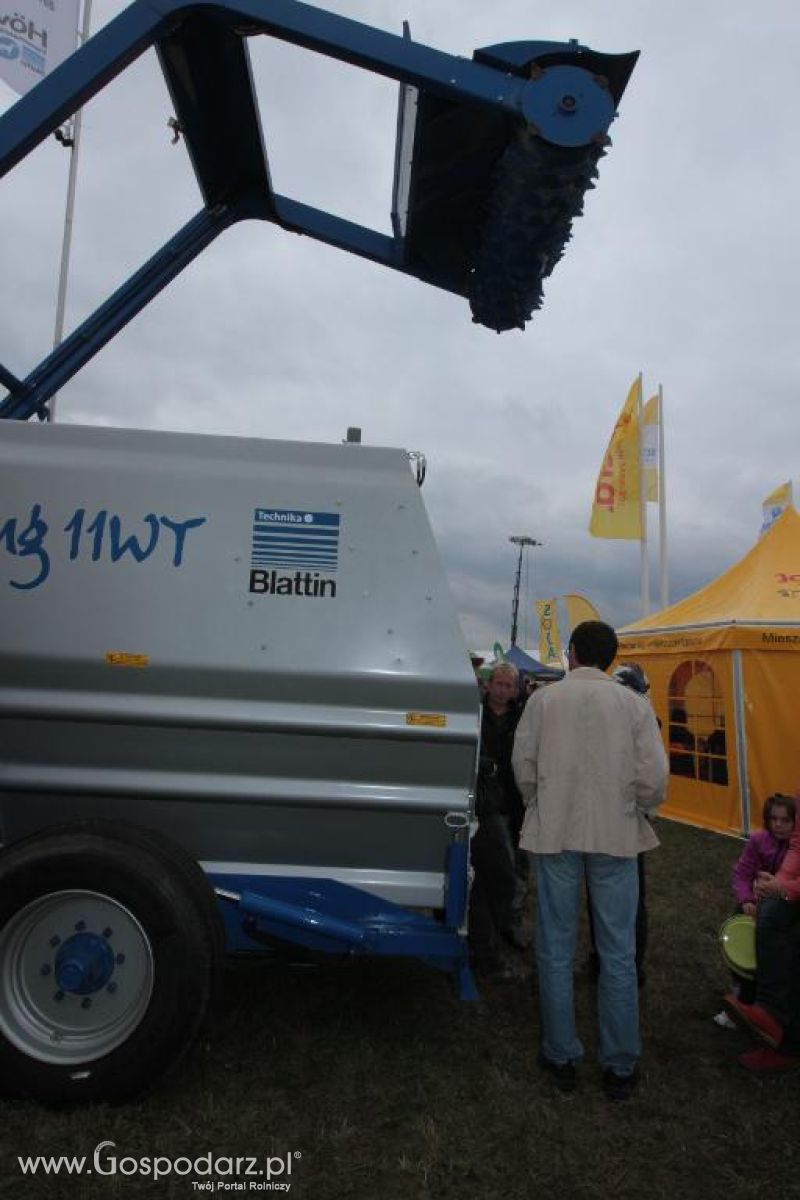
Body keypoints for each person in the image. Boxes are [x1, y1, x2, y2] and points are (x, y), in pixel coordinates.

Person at [512, 621, 667, 1099]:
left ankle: (560, 1053)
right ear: (610, 657)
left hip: (556, 833)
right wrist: (637, 808)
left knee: (555, 947)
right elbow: (654, 778)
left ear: (573, 654)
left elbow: (525, 767)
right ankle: (619, 1063)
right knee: (618, 951)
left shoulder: (543, 701)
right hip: (616, 835)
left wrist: (542, 803)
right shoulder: (634, 705)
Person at [586, 662, 655, 986]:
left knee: (630, 898)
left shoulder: (644, 722)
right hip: (599, 817)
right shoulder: (605, 721)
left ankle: (631, 965)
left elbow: (652, 779)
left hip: (626, 820)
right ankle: (601, 956)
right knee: (600, 891)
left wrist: (642, 809)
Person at [725, 793, 800, 1071]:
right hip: (779, 894)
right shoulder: (760, 840)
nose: (779, 824)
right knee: (763, 928)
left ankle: (778, 1028)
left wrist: (782, 889)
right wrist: (772, 888)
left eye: (786, 820)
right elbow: (797, 846)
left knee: (787, 950)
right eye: (774, 819)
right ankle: (765, 1014)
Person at [468, 662, 525, 979]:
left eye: (509, 685)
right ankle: (488, 938)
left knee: (517, 866)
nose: (503, 690)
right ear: (489, 685)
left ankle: (509, 926)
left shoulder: (523, 716)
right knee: (495, 872)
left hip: (515, 802)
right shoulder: (474, 713)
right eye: (499, 684)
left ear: (515, 690)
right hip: (484, 805)